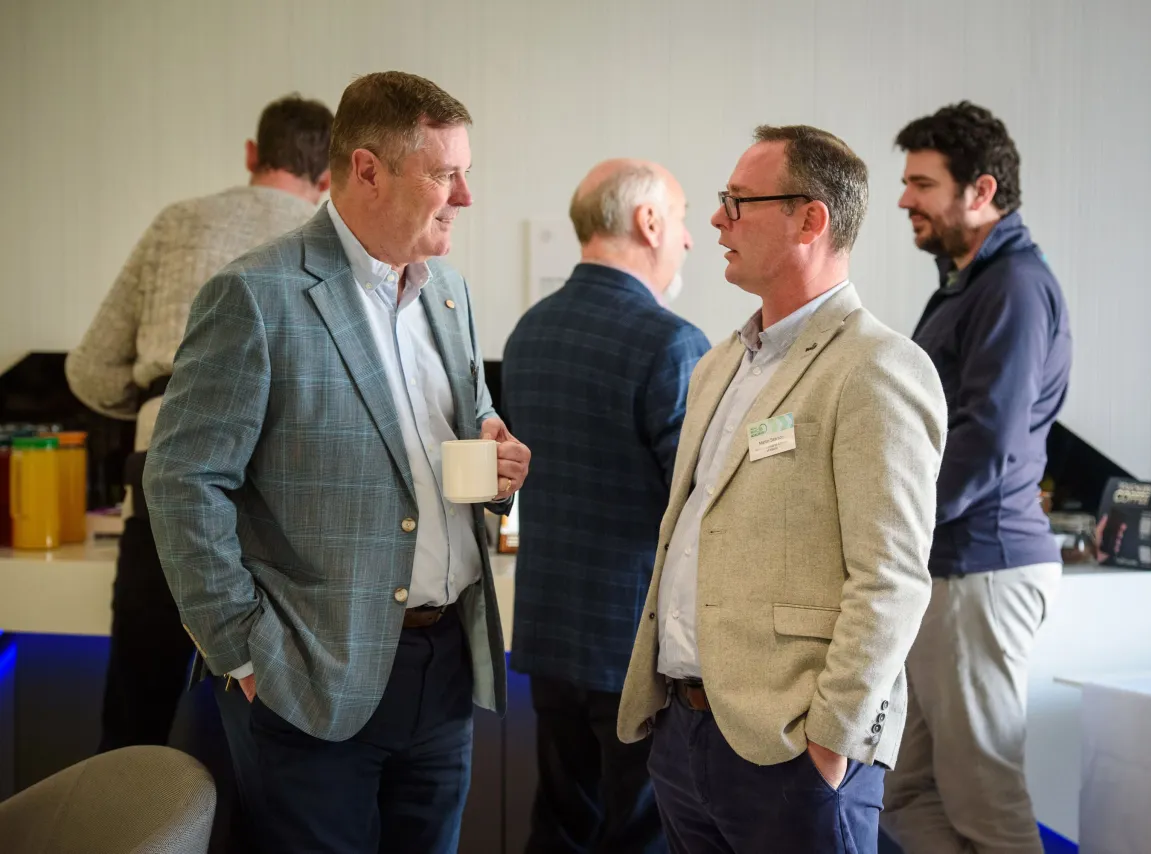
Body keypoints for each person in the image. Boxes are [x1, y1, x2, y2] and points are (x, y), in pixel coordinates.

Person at [143, 71, 530, 854]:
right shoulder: (256, 295)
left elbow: (462, 416)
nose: (465, 198)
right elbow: (183, 481)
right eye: (446, 174)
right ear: (366, 170)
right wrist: (245, 656)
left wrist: (496, 442)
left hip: (446, 666)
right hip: (310, 675)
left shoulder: (448, 293)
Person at [616, 125, 947, 852]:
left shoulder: (876, 367)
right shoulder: (718, 365)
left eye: (737, 202)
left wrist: (830, 740)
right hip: (684, 734)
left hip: (792, 752)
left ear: (811, 217)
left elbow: (890, 577)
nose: (716, 220)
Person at [65, 93, 333, 754]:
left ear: (252, 154)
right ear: (328, 177)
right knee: (266, 715)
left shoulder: (177, 222)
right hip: (287, 489)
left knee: (141, 701)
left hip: (164, 463)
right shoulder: (327, 242)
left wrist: (163, 397)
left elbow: (91, 368)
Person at [503, 158, 710, 854]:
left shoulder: (529, 332)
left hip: (549, 631)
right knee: (643, 837)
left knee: (561, 825)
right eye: (680, 221)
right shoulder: (672, 344)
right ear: (649, 222)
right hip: (637, 649)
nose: (687, 240)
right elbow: (702, 510)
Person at [882, 101, 1073, 854]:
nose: (905, 200)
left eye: (922, 183)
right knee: (908, 790)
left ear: (982, 191)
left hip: (979, 570)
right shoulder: (970, 282)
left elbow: (984, 443)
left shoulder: (1014, 287)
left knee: (984, 799)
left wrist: (892, 530)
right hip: (945, 567)